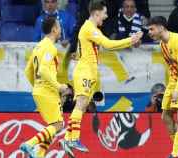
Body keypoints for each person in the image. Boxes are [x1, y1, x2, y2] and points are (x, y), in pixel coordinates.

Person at [59, 1, 143, 157]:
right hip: (85, 71)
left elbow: (81, 49)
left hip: (87, 71)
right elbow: (109, 45)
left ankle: (67, 138)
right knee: (81, 104)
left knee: (82, 107)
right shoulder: (89, 28)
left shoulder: (89, 29)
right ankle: (73, 139)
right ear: (96, 13)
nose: (105, 16)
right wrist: (131, 40)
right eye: (104, 13)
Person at [20, 17, 69, 158]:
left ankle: (40, 155)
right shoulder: (50, 48)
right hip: (48, 91)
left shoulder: (38, 46)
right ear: (54, 29)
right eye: (59, 26)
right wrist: (59, 86)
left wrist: (37, 86)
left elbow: (27, 71)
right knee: (59, 125)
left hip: (39, 91)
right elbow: (43, 70)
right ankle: (30, 144)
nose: (60, 29)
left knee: (53, 126)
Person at [148, 16, 178, 158]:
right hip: (174, 81)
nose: (149, 32)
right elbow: (172, 67)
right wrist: (171, 86)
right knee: (165, 116)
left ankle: (175, 153)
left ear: (161, 27)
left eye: (152, 29)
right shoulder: (162, 44)